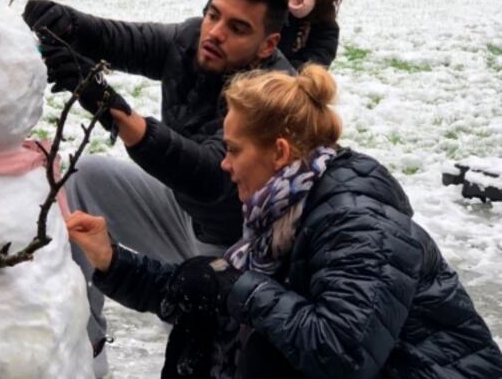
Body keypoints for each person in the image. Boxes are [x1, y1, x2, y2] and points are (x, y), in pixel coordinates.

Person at [67, 65, 502, 378]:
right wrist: (112, 261)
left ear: (278, 152)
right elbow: (205, 289)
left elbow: (341, 355)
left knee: (262, 349)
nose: (225, 164)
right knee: (210, 308)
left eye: (234, 150)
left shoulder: (359, 225)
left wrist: (235, 287)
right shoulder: (281, 209)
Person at [23, 0, 294, 372]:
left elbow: (211, 175)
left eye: (237, 28)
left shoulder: (275, 94)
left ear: (268, 45)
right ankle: (86, 349)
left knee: (213, 354)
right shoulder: (192, 42)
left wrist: (113, 110)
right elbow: (121, 40)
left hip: (244, 250)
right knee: (87, 179)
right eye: (213, 15)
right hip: (183, 216)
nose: (215, 33)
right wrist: (67, 24)